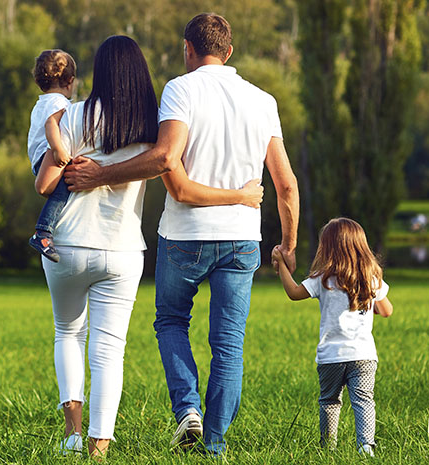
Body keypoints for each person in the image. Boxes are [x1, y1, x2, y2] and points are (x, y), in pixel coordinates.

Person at [62, 13, 300, 455]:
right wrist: (288, 243)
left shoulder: (180, 89)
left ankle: (188, 411)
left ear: (188, 49)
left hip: (185, 236)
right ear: (229, 52)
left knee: (171, 321)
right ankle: (214, 444)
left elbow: (166, 158)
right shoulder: (263, 100)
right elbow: (285, 183)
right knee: (228, 344)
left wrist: (100, 175)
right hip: (242, 239)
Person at [271, 217, 393, 457]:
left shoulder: (323, 278)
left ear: (326, 247)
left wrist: (281, 266)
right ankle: (366, 448)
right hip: (364, 356)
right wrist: (368, 303)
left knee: (329, 401)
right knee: (364, 401)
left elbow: (294, 293)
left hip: (331, 357)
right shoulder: (371, 278)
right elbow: (386, 310)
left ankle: (328, 448)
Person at [27, 49, 78, 263]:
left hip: (38, 159)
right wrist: (58, 148)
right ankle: (43, 232)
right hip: (48, 156)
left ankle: (47, 231)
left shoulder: (41, 103)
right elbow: (51, 125)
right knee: (66, 186)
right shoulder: (60, 103)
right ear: (70, 81)